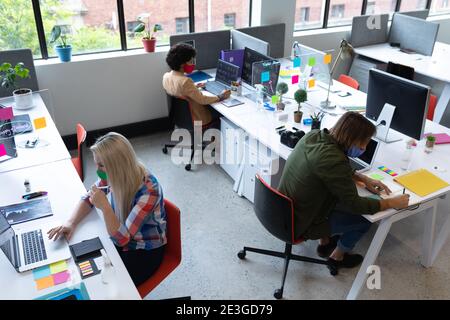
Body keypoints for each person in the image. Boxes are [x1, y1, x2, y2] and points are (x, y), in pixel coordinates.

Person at [278, 112, 410, 270]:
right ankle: (337, 257)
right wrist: (391, 202)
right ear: (352, 139)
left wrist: (362, 178)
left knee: (332, 199)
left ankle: (325, 243)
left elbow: (325, 166)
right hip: (301, 223)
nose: (364, 148)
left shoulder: (314, 136)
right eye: (364, 142)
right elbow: (355, 205)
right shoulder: (334, 160)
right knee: (364, 220)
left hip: (283, 209)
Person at [48, 132, 167, 286]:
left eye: (101, 165)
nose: (97, 170)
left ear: (118, 166)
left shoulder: (149, 191)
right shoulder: (110, 173)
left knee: (105, 284)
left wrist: (105, 207)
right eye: (96, 163)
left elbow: (123, 240)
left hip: (144, 250)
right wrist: (71, 223)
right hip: (121, 236)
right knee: (82, 266)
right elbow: (88, 197)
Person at [162, 43, 231, 127]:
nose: (193, 64)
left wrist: (195, 87)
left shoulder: (166, 76)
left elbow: (180, 91)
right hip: (197, 117)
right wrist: (221, 96)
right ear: (182, 64)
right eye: (190, 61)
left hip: (180, 117)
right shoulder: (186, 81)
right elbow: (202, 99)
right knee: (223, 112)